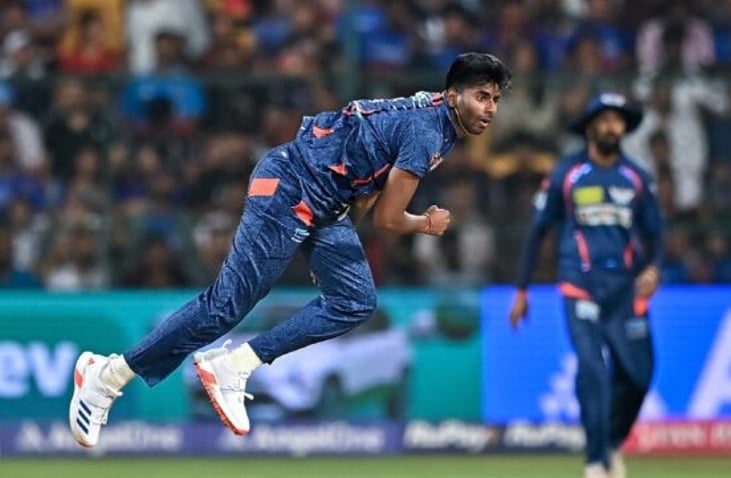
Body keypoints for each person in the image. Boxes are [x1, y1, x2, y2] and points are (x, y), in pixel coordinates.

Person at [69, 52, 512, 448]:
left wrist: (332, 255)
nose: (489, 109)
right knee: (226, 306)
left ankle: (236, 364)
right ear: (453, 95)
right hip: (291, 186)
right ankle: (107, 377)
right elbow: (390, 219)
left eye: (494, 99)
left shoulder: (436, 116)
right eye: (481, 97)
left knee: (355, 299)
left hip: (328, 199)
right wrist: (427, 223)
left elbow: (366, 185)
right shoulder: (427, 131)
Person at [508, 93, 663, 478]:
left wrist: (654, 268)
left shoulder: (636, 176)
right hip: (580, 285)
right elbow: (538, 231)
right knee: (592, 369)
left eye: (619, 121)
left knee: (639, 375)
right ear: (591, 126)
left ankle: (611, 443)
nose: (613, 127)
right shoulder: (568, 173)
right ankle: (595, 461)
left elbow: (656, 233)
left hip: (626, 289)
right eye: (605, 120)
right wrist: (523, 289)